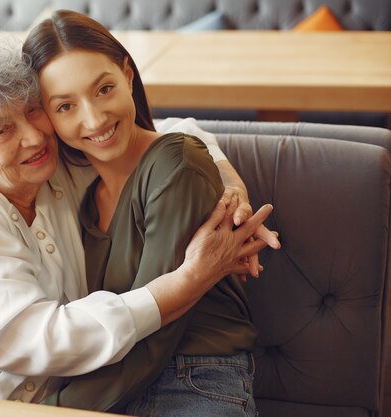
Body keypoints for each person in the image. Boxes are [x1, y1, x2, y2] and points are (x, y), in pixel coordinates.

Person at [0, 27, 275, 404]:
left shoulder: (52, 167)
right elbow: (36, 338)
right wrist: (189, 280)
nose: (33, 137)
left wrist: (226, 180)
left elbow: (169, 136)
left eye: (32, 110)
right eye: (2, 130)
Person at [20, 10, 276, 416]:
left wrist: (49, 409)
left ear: (128, 74)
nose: (94, 118)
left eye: (104, 89)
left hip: (194, 378)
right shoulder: (81, 196)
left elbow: (156, 333)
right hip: (113, 379)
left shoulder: (175, 162)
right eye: (65, 106)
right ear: (44, 115)